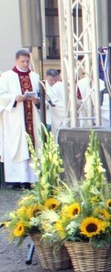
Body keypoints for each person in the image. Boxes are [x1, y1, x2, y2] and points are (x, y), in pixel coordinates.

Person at [0, 49, 42, 188]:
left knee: (32, 146)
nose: (25, 64)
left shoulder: (35, 76)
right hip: (15, 117)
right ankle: (16, 180)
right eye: (22, 61)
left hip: (31, 117)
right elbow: (1, 96)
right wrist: (15, 98)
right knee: (18, 146)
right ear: (16, 60)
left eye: (27, 61)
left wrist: (37, 100)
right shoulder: (7, 76)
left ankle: (30, 179)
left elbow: (42, 96)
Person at [45, 69, 67, 135]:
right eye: (51, 80)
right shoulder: (43, 86)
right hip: (48, 116)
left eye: (55, 80)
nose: (53, 82)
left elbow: (65, 101)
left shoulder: (60, 85)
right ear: (46, 78)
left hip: (60, 115)